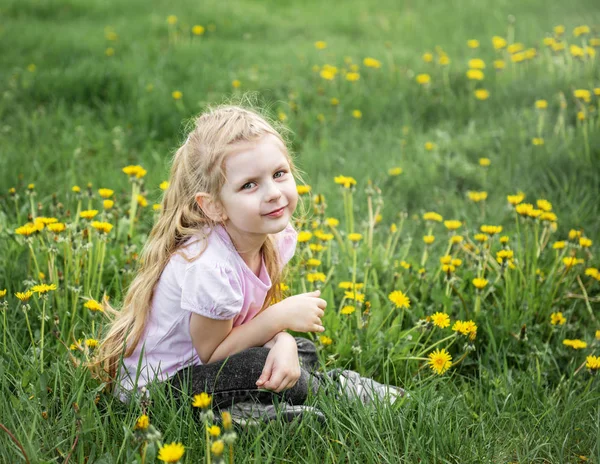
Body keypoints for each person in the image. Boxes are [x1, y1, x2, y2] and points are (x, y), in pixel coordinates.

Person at [95, 103, 405, 425]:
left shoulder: (269, 238)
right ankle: (324, 392)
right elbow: (214, 355)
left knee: (300, 350)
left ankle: (255, 409)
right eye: (249, 185)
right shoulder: (209, 266)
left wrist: (282, 338)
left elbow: (246, 329)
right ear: (214, 206)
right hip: (162, 392)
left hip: (210, 369)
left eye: (279, 174)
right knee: (264, 365)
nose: (273, 193)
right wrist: (277, 320)